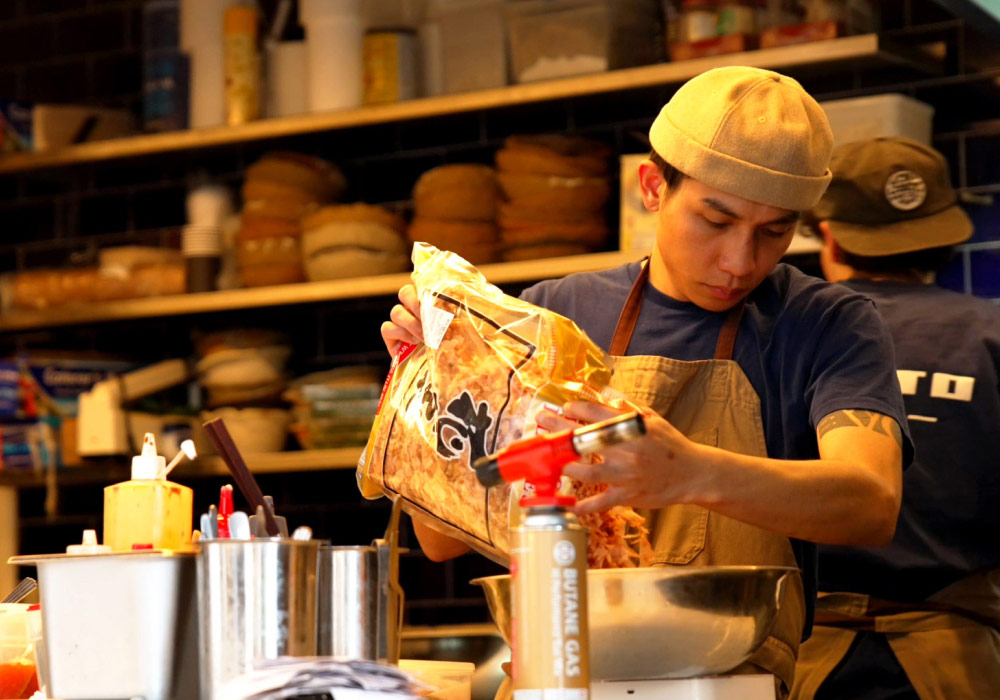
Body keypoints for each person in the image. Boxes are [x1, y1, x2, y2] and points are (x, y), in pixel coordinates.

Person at [381, 66, 912, 697]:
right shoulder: (552, 317)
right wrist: (430, 371)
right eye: (716, 221)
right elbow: (439, 540)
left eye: (775, 231)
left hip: (733, 678)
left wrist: (693, 472)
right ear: (653, 186)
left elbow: (872, 502)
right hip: (559, 679)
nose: (740, 262)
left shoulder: (824, 324)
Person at [791, 136, 1000, 700]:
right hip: (959, 667)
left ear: (830, 237)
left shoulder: (783, 332)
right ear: (947, 239)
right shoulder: (992, 334)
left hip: (801, 665)